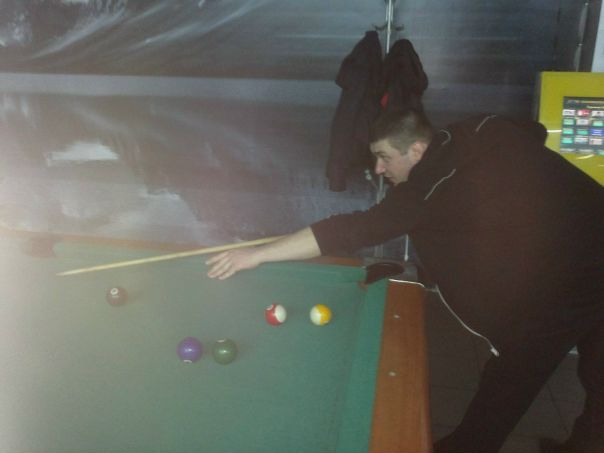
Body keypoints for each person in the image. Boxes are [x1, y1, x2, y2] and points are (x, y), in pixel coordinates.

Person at [206, 109, 604, 453]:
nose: (379, 169)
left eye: (384, 157)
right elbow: (534, 130)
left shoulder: (424, 189)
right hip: (591, 242)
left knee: (511, 378)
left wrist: (256, 254)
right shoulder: (480, 126)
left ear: (416, 150)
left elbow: (351, 230)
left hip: (571, 277)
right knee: (599, 369)